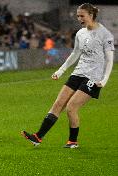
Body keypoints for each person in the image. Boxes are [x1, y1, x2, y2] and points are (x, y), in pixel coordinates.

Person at [21, 3, 115, 148]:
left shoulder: (105, 34)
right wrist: (61, 70)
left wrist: (104, 80)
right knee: (58, 104)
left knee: (71, 107)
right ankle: (38, 137)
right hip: (77, 73)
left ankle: (73, 142)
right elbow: (75, 53)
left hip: (93, 77)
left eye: (82, 16)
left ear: (91, 15)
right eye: (77, 16)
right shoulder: (80, 33)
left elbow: (109, 59)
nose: (79, 18)